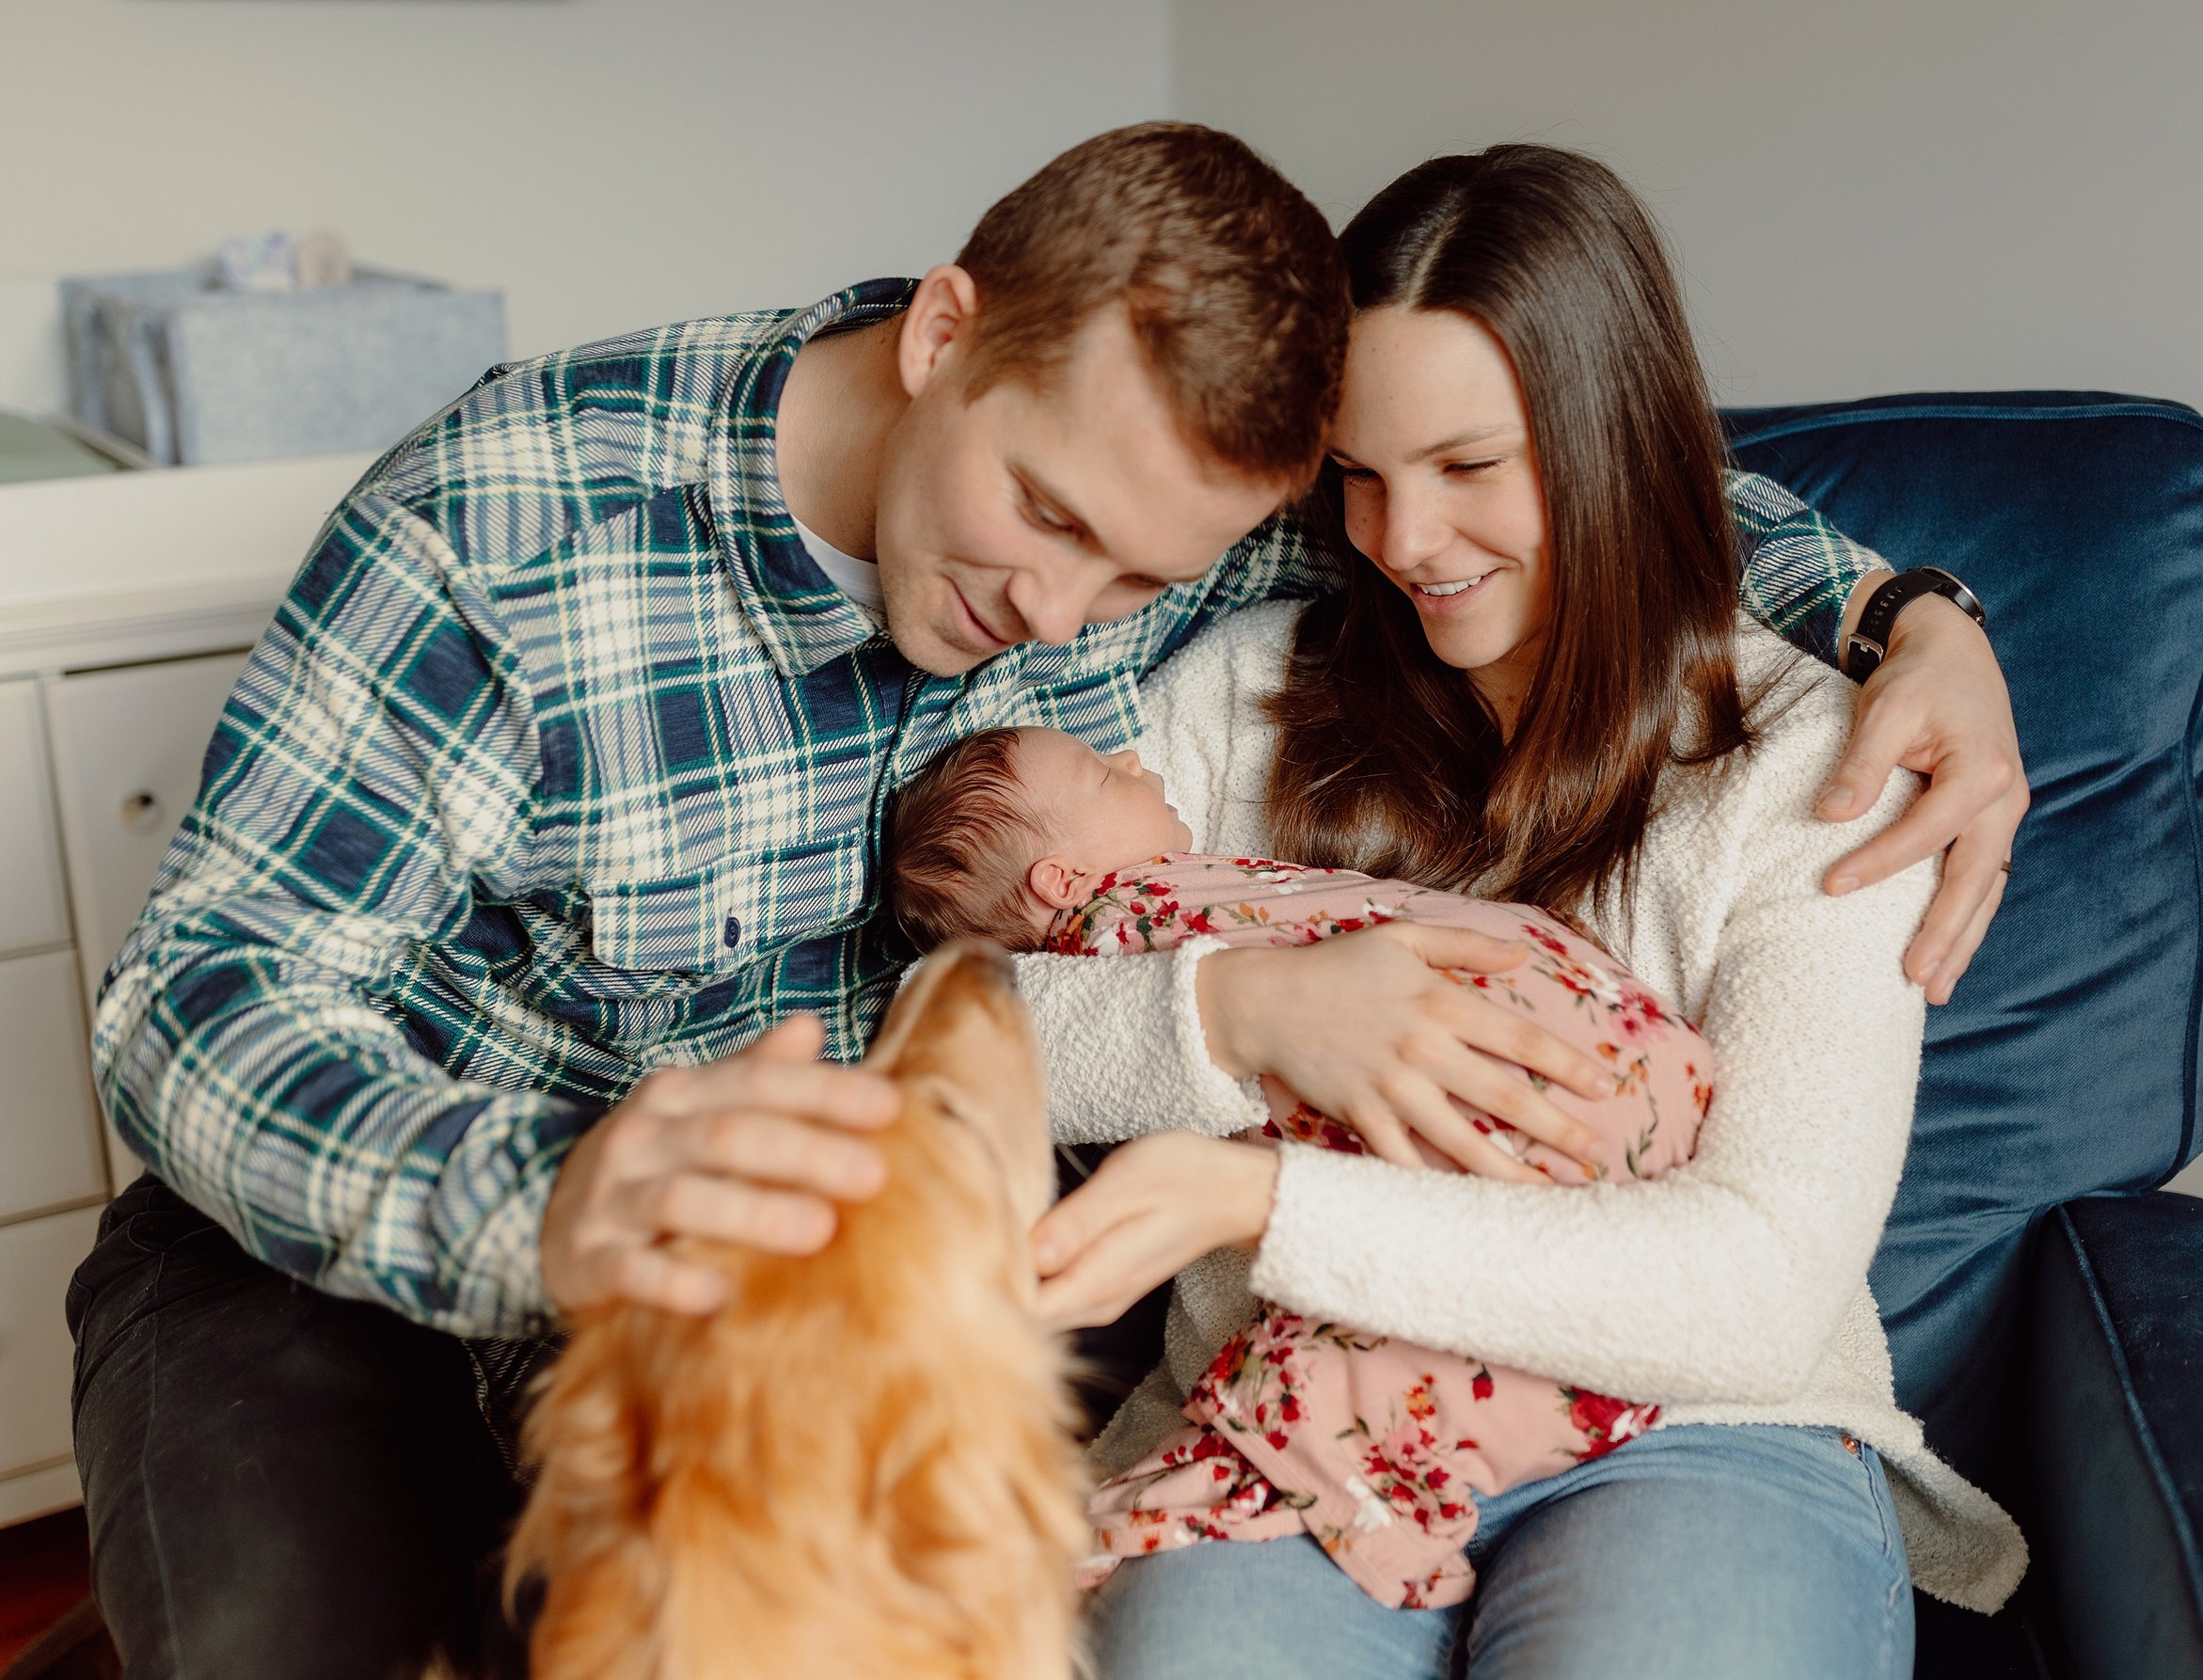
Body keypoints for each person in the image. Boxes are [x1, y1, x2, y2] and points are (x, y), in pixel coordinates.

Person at [68, 122, 2021, 1676]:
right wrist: (547, 1199)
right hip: (380, 1226)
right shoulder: (505, 521)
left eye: (1134, 577)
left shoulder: (1209, 540)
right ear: (943, 337)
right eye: (1049, 523)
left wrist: (1904, 614)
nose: (1065, 616)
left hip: (837, 1267)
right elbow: (202, 991)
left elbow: (1572, 509)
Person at [1012, 145, 2027, 1679]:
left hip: (1698, 1426)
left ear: (1612, 436)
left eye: (1470, 468)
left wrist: (1268, 1207)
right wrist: (1238, 1018)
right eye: (1358, 473)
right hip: (1286, 1424)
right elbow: (978, 1025)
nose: (1405, 540)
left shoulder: (1820, 764)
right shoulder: (1234, 705)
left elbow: (1752, 1286)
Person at [880, 723, 1714, 1609]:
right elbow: (952, 1031)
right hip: (1614, 1085)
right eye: (1098, 771)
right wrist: (1244, 1009)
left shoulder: (1211, 892)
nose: (1131, 755)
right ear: (1064, 883)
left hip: (1589, 1129)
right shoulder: (1133, 922)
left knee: (1327, 1393)